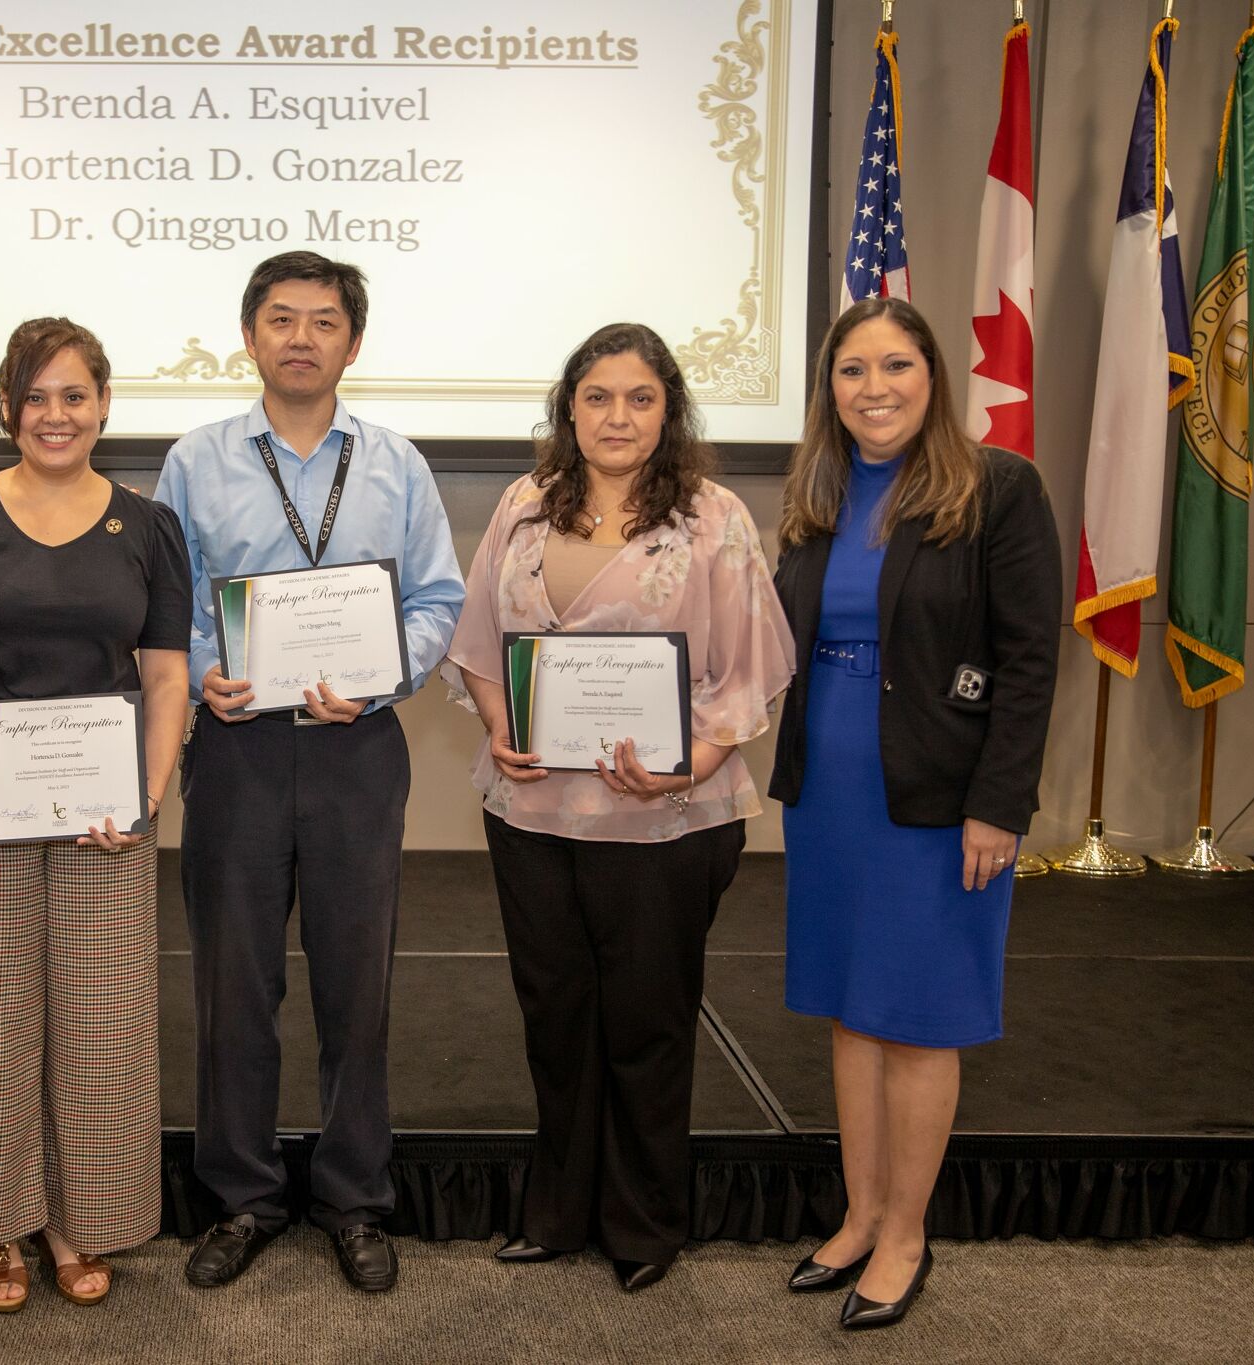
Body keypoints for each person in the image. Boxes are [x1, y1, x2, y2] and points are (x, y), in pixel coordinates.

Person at [440, 323, 794, 1291]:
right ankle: (557, 1213)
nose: (616, 416)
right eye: (596, 397)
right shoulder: (521, 504)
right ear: (568, 409)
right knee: (554, 1014)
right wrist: (499, 722)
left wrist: (696, 759)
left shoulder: (712, 516)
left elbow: (754, 665)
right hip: (530, 809)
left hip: (663, 822)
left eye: (639, 398)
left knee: (645, 1020)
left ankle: (643, 1225)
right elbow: (477, 640)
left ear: (667, 410)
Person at [155, 251, 464, 1294]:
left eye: (321, 321)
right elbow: (171, 600)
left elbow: (435, 599)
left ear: (352, 342)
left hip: (354, 750)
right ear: (249, 336)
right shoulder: (195, 459)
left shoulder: (396, 463)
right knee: (232, 985)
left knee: (355, 987)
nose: (299, 337)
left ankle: (351, 1195)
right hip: (237, 747)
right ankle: (240, 1196)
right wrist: (205, 672)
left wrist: (383, 678)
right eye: (279, 319)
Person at [0, 317, 192, 1313]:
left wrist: (147, 799)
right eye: (36, 396)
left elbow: (163, 675)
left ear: (104, 404)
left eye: (74, 395)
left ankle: (79, 1220)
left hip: (108, 800)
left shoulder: (147, 528)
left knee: (100, 1019)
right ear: (8, 408)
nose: (54, 414)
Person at [771, 296, 1059, 1330]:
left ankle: (904, 1236)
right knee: (852, 1012)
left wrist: (998, 805)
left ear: (932, 377)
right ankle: (857, 1216)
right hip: (831, 789)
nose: (873, 388)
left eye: (894, 366)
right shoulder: (818, 492)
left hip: (940, 795)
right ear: (828, 387)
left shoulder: (996, 489)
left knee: (918, 1016)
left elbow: (1029, 660)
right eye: (851, 371)